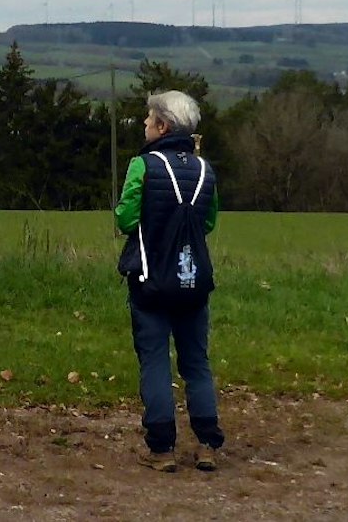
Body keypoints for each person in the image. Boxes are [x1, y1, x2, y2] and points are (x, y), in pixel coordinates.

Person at [115, 89, 224, 473]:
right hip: (193, 279)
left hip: (150, 281)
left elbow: (126, 219)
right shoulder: (205, 170)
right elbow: (208, 222)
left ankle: (162, 449)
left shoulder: (142, 166)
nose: (144, 125)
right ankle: (208, 443)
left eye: (148, 120)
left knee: (155, 360)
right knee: (196, 362)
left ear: (162, 126)